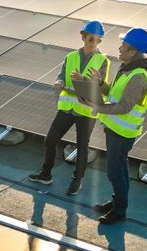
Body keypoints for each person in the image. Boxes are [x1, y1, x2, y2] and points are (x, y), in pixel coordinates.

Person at [28, 20, 110, 196]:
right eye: (91, 39)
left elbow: (99, 87)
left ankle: (76, 181)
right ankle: (45, 173)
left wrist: (82, 80)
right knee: (50, 140)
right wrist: (58, 82)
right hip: (67, 108)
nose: (94, 42)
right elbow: (61, 76)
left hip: (86, 111)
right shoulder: (70, 57)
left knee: (82, 147)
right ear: (82, 37)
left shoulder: (102, 61)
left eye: (98, 40)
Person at [84, 27, 147, 225]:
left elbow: (123, 106)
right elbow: (113, 94)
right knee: (117, 170)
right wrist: (100, 84)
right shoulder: (127, 70)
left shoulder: (138, 76)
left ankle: (119, 211)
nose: (120, 48)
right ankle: (117, 202)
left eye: (124, 45)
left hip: (122, 134)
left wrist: (98, 107)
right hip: (115, 130)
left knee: (116, 172)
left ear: (133, 51)